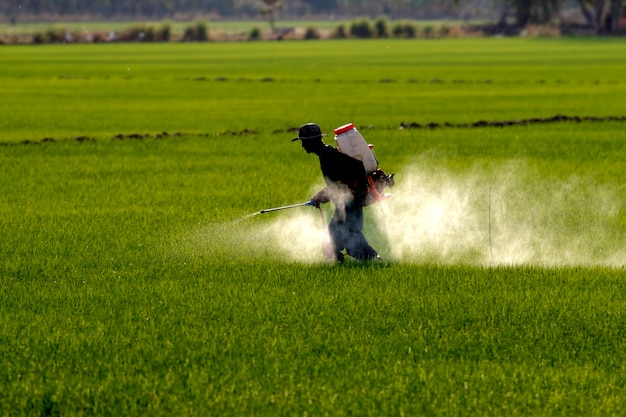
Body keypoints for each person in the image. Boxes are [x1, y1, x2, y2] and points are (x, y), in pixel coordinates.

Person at [292, 123, 381, 263]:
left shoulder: (330, 156)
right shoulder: (326, 156)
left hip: (350, 204)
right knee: (331, 246)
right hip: (345, 205)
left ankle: (376, 263)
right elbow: (337, 185)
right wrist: (321, 197)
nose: (303, 146)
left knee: (349, 244)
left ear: (312, 141)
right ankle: (351, 268)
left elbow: (355, 170)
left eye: (304, 142)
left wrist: (356, 192)